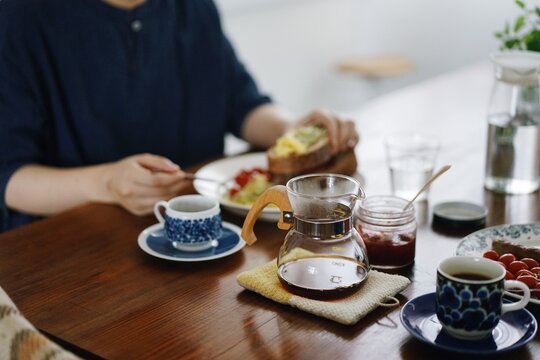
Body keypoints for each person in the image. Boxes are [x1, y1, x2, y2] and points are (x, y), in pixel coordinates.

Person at [0, 0, 359, 231]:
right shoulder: (18, 19)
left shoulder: (195, 8)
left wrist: (293, 131)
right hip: (64, 258)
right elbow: (10, 179)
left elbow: (243, 104)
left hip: (201, 243)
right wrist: (106, 183)